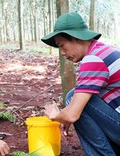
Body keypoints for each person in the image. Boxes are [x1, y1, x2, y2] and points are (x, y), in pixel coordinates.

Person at [42, 12, 120, 155]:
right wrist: (66, 115)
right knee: (76, 96)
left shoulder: (94, 60)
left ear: (75, 38)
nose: (63, 53)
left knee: (73, 98)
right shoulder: (103, 51)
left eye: (62, 45)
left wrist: (55, 115)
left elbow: (72, 115)